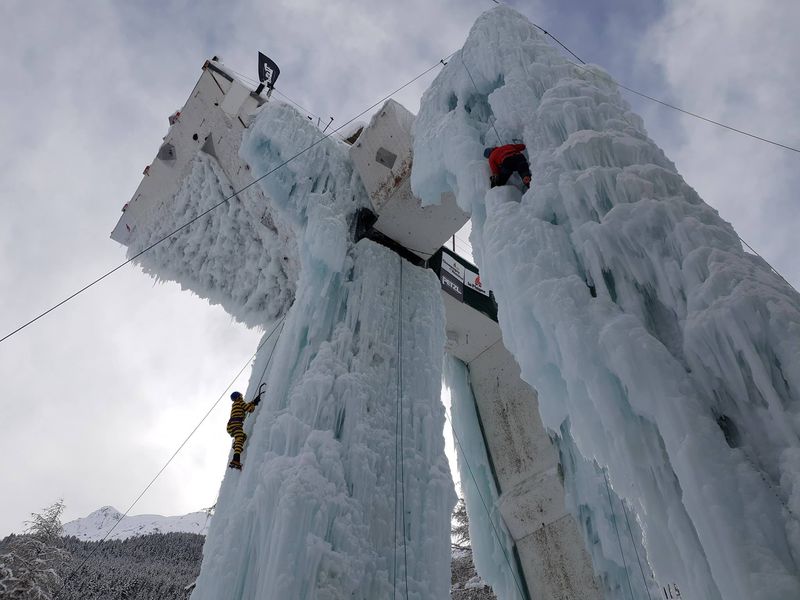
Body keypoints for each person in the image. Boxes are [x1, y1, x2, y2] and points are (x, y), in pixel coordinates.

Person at [227, 389, 262, 470]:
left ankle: (236, 446)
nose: (242, 397)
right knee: (239, 438)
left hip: (231, 426)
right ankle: (236, 460)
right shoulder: (240, 401)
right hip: (236, 424)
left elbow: (244, 407)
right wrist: (254, 404)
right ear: (239, 396)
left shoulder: (236, 404)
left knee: (243, 436)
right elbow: (249, 409)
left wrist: (253, 402)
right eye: (241, 395)